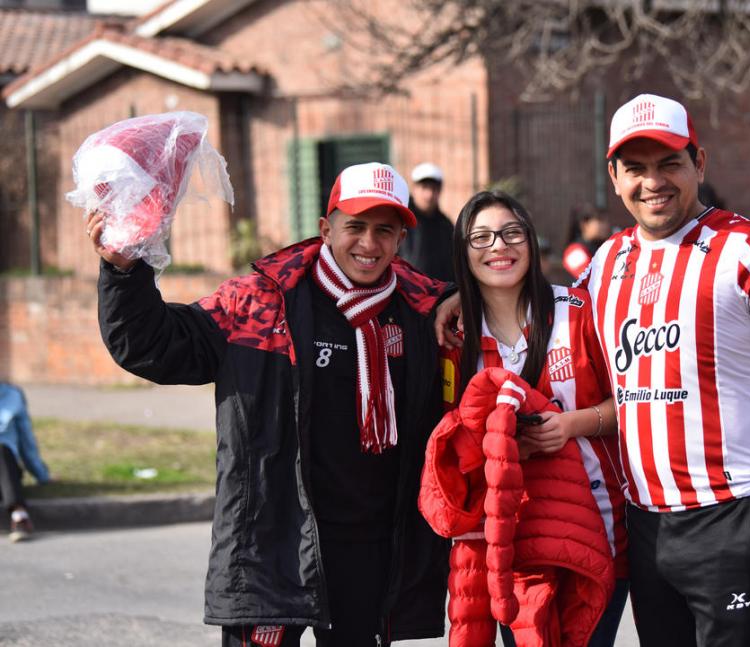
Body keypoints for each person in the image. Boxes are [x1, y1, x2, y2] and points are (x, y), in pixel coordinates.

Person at [87, 162, 449, 646]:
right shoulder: (258, 302)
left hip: (369, 549)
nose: (369, 243)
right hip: (271, 538)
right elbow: (154, 344)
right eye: (355, 227)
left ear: (402, 239)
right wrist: (122, 269)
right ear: (326, 228)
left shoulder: (429, 313)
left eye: (385, 230)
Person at [584, 93, 750, 647]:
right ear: (614, 177)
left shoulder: (743, 246)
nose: (652, 182)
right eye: (635, 168)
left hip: (738, 512)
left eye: (669, 164)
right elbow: (548, 329)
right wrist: (455, 301)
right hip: (648, 523)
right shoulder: (607, 262)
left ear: (698, 164)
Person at [444, 190, 629, 646]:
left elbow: (632, 403)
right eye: (481, 237)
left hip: (599, 529)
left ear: (530, 241)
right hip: (513, 542)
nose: (498, 246)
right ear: (464, 253)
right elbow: (455, 440)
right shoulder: (455, 340)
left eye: (511, 233)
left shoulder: (579, 312)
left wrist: (570, 425)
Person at [0, 382, 51, 543]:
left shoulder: (12, 395)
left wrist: (41, 475)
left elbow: (27, 442)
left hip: (5, 470)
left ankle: (19, 517)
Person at [398, 161, 455, 282]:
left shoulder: (446, 226)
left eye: (434, 189)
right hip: (405, 292)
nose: (429, 195)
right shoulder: (400, 220)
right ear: (414, 189)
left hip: (441, 294)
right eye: (424, 188)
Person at [562, 203, 612, 279]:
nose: (606, 225)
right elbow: (590, 279)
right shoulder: (574, 252)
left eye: (606, 221)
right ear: (585, 224)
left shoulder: (605, 247)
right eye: (600, 221)